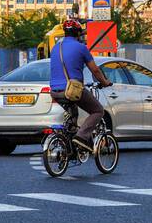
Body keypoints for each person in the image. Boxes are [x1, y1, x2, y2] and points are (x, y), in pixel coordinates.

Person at [48, 17, 112, 150]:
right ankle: (81, 137)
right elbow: (95, 70)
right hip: (72, 90)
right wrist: (105, 82)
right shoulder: (81, 48)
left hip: (54, 91)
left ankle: (69, 146)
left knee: (73, 114)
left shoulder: (55, 48)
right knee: (97, 110)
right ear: (78, 34)